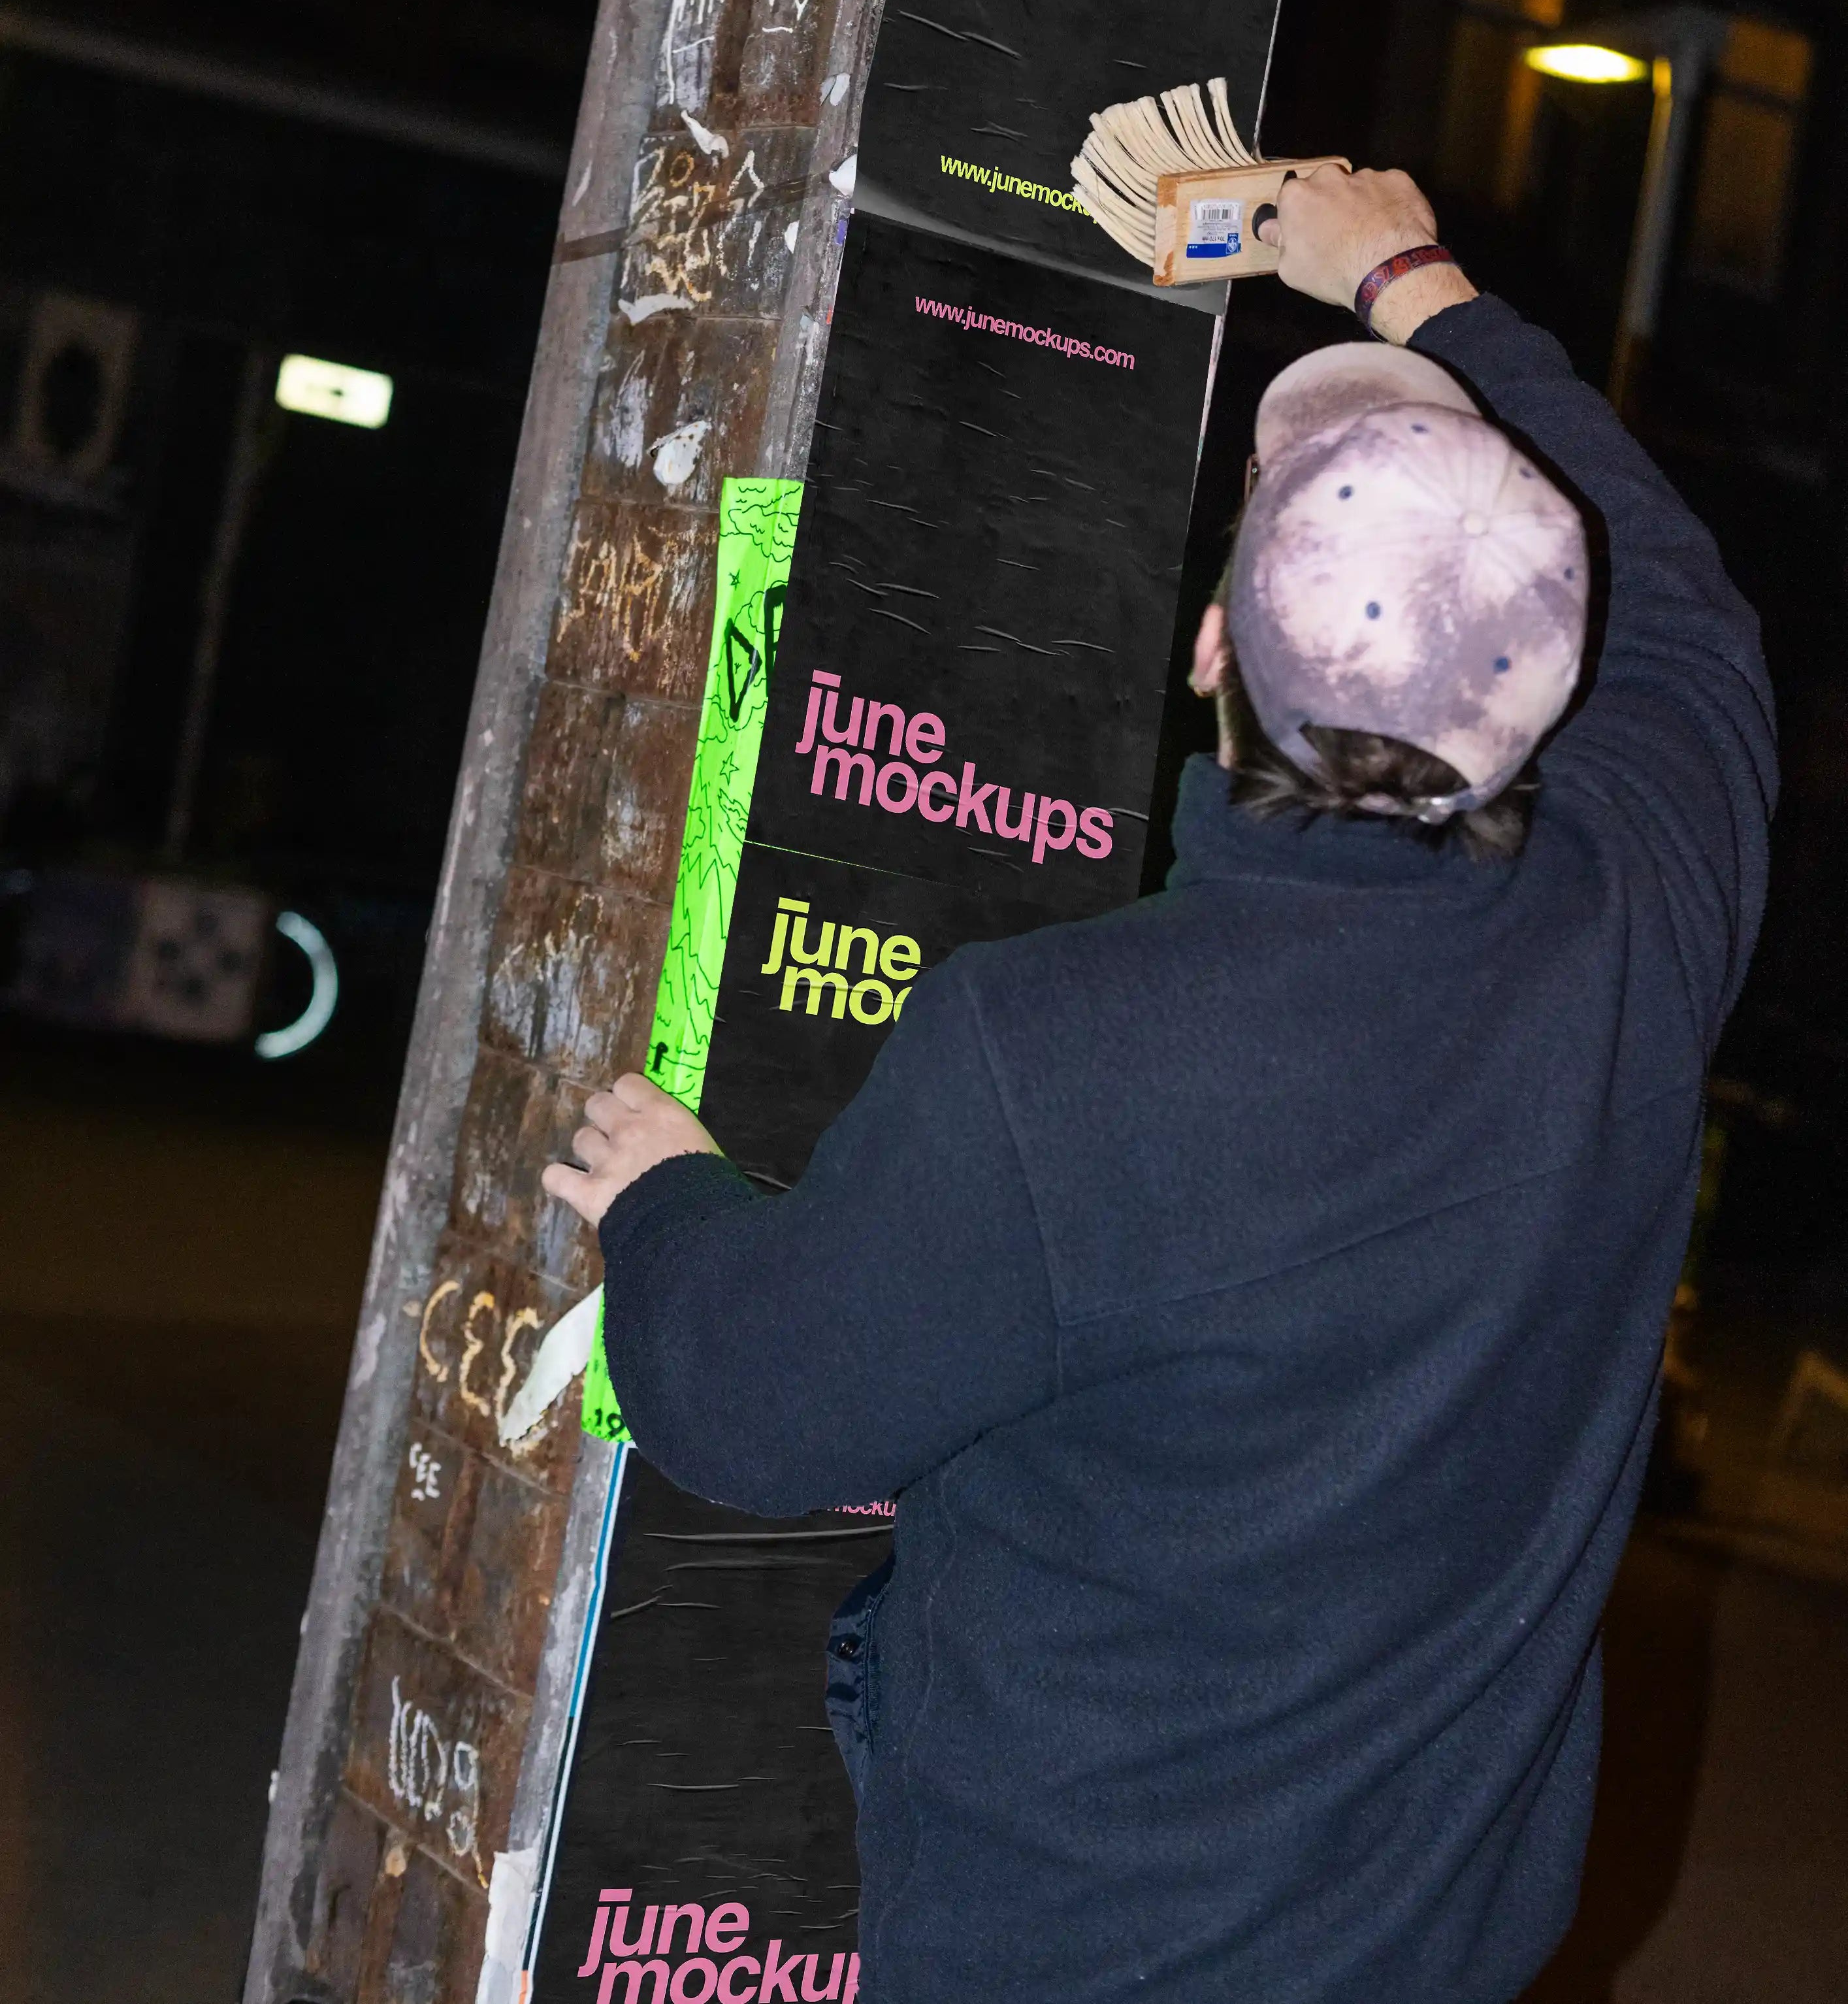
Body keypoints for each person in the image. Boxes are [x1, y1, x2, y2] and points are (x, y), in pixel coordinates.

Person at [543, 167, 1775, 2004]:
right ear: (1552, 688)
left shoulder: (1053, 1052)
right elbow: (1695, 614)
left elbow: (758, 1401)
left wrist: (665, 1195)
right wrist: (1414, 282)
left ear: (1210, 648)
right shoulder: (1637, 934)